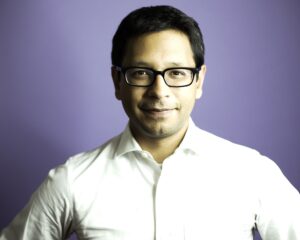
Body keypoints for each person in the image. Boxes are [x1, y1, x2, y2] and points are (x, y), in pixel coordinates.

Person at [1, 5, 299, 240]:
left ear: (199, 81)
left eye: (177, 72)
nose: (159, 91)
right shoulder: (73, 181)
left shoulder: (253, 173)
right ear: (118, 81)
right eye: (142, 73)